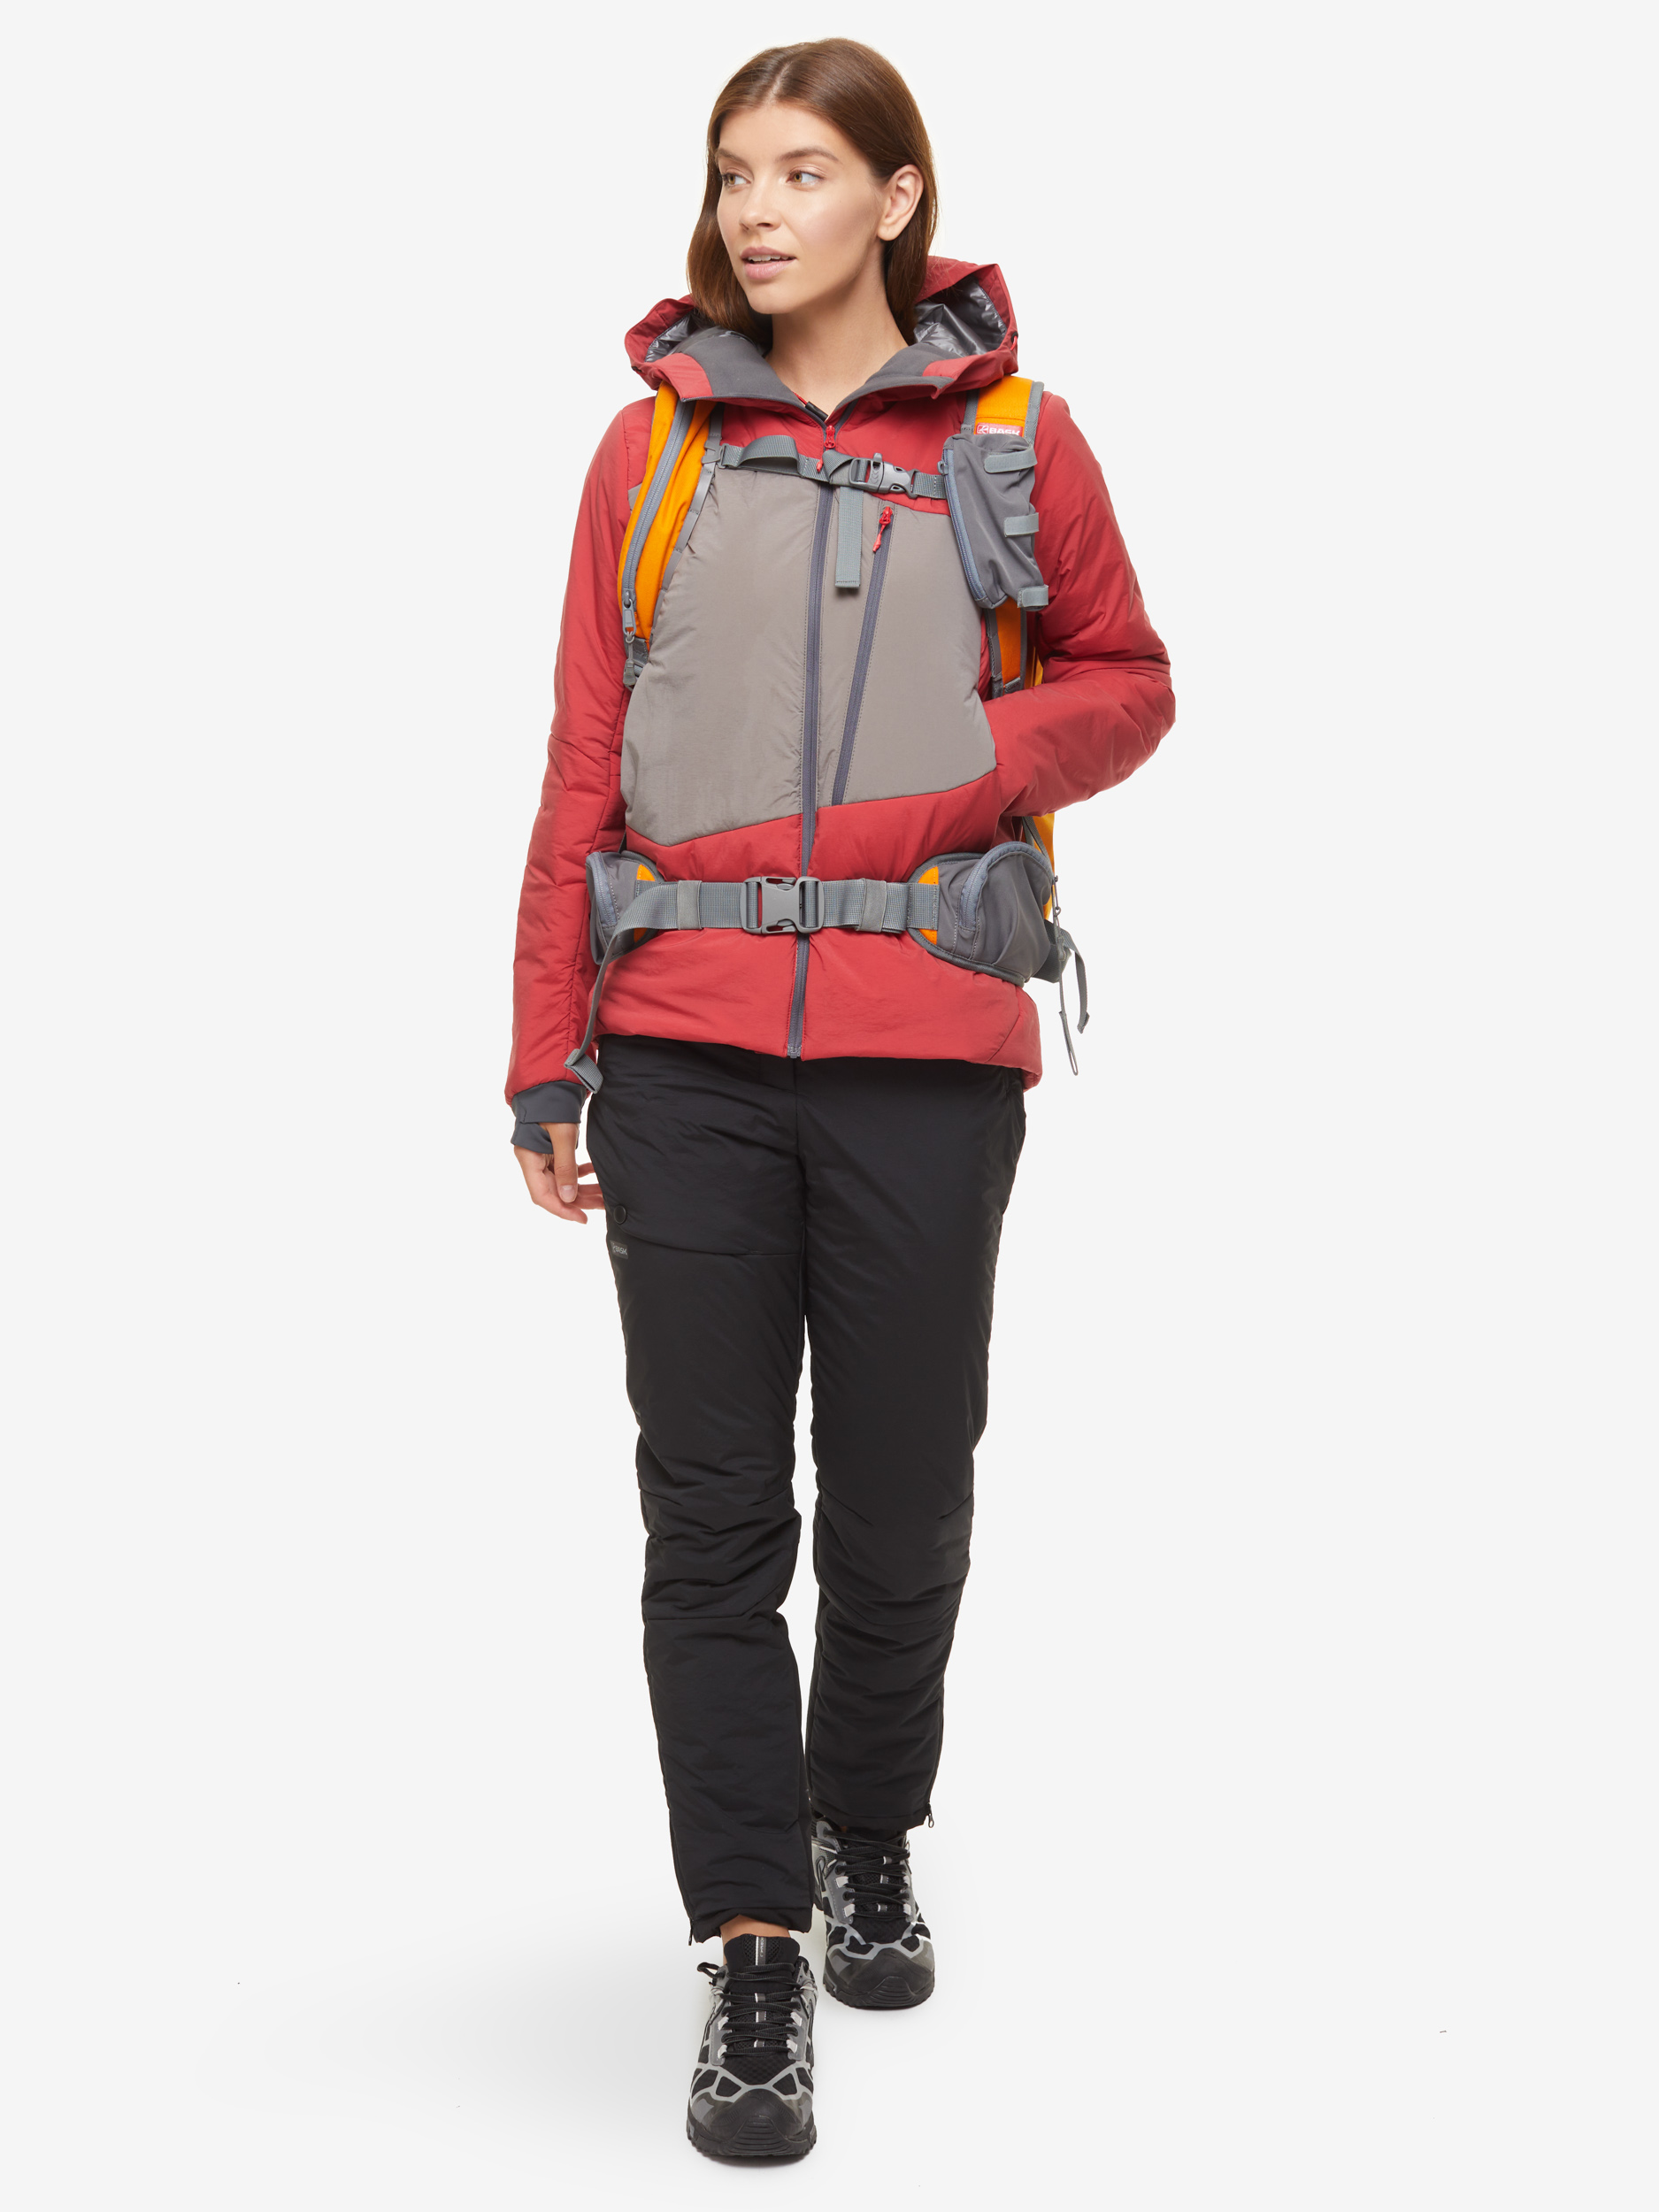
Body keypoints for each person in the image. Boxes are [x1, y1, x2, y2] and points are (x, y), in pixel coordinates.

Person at [508, 37, 1173, 2161]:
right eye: (733, 171)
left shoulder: (1013, 437)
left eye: (801, 169)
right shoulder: (646, 454)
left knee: (899, 1496)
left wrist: (971, 765)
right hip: (682, 1046)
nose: (756, 207)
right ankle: (753, 1946)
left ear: (894, 196)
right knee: (709, 1517)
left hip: (921, 1052)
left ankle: (865, 1816)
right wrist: (541, 1049)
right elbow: (582, 760)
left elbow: (1129, 680)